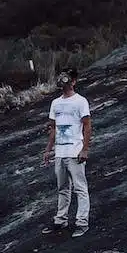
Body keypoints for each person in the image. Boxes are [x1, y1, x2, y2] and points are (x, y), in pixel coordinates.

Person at [43, 67, 92, 236]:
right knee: (62, 188)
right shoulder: (55, 103)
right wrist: (49, 149)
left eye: (67, 78)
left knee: (80, 188)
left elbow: (87, 125)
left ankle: (82, 222)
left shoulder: (80, 101)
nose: (63, 80)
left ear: (74, 81)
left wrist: (85, 149)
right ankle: (61, 220)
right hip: (60, 152)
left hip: (74, 151)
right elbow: (53, 128)